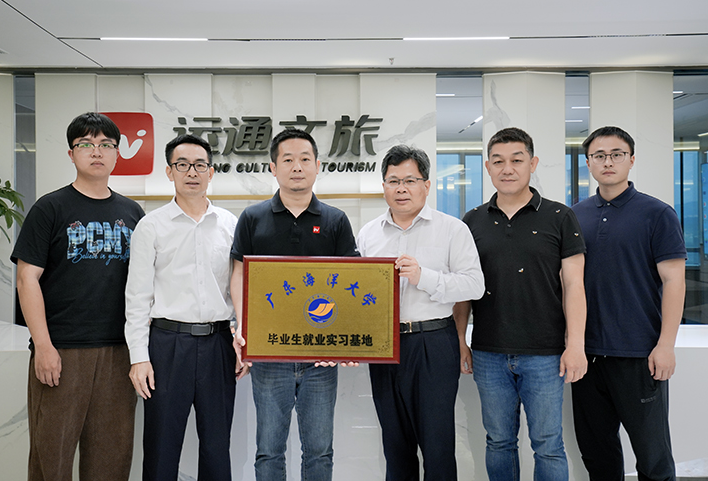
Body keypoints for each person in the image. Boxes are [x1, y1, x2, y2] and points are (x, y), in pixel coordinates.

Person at [11, 112, 144, 481]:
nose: (96, 151)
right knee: (51, 457)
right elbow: (26, 278)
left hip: (119, 351)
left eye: (106, 145)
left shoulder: (132, 212)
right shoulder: (50, 208)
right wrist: (43, 346)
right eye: (86, 144)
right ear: (71, 154)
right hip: (62, 350)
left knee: (111, 459)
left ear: (117, 154)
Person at [456, 126, 588, 481]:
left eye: (516, 160)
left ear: (533, 163)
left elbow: (574, 285)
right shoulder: (472, 221)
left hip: (545, 353)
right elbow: (463, 290)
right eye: (498, 161)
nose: (507, 169)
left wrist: (575, 344)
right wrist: (460, 341)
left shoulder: (560, 217)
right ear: (487, 167)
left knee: (548, 444)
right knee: (499, 442)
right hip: (489, 352)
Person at [230, 128, 359, 481]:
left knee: (319, 451)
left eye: (305, 159)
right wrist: (243, 326)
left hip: (321, 356)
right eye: (288, 159)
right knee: (269, 451)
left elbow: (351, 283)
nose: (297, 167)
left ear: (317, 165)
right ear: (274, 167)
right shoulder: (252, 218)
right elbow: (239, 274)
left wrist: (345, 338)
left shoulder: (336, 220)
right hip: (269, 353)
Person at [356, 145, 485, 480]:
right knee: (395, 445)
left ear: (426, 185)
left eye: (410, 180)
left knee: (437, 444)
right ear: (383, 186)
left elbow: (474, 285)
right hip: (384, 346)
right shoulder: (369, 233)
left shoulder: (452, 229)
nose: (401, 189)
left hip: (433, 342)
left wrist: (423, 277)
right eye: (393, 181)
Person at [571, 126, 686, 481]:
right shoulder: (574, 216)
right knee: (597, 456)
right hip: (588, 356)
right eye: (599, 156)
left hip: (639, 354)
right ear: (588, 163)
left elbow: (674, 281)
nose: (608, 162)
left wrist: (666, 345)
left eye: (617, 154)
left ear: (631, 160)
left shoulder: (657, 214)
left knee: (653, 458)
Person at [125, 134, 238, 480]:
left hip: (219, 344)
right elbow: (137, 297)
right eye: (183, 164)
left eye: (200, 165)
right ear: (169, 171)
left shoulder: (229, 224)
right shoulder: (151, 226)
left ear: (211, 172)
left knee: (217, 447)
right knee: (161, 447)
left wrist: (241, 341)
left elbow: (239, 290)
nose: (192, 172)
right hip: (167, 346)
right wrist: (138, 357)